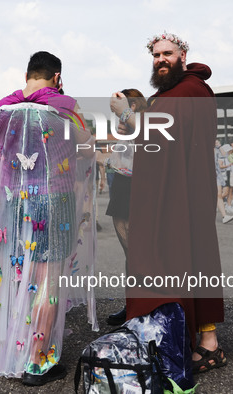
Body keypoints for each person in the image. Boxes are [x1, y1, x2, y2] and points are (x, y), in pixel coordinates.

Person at [0, 51, 97, 386]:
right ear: (56, 76)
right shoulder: (64, 105)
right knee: (48, 280)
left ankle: (0, 351)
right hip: (53, 198)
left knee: (11, 273)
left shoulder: (1, 108)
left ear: (27, 75)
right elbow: (85, 146)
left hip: (13, 201)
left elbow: (0, 154)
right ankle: (36, 360)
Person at [110, 32, 225, 375]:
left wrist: (126, 115)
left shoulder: (190, 90)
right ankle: (183, 338)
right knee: (179, 261)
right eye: (156, 55)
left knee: (184, 258)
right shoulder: (170, 93)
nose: (161, 59)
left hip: (183, 194)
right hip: (173, 192)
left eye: (167, 53)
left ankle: (208, 344)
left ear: (182, 54)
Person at [105, 88, 148, 326]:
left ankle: (141, 307)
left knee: (136, 253)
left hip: (135, 187)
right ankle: (132, 304)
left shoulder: (140, 121)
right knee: (129, 254)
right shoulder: (128, 124)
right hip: (122, 186)